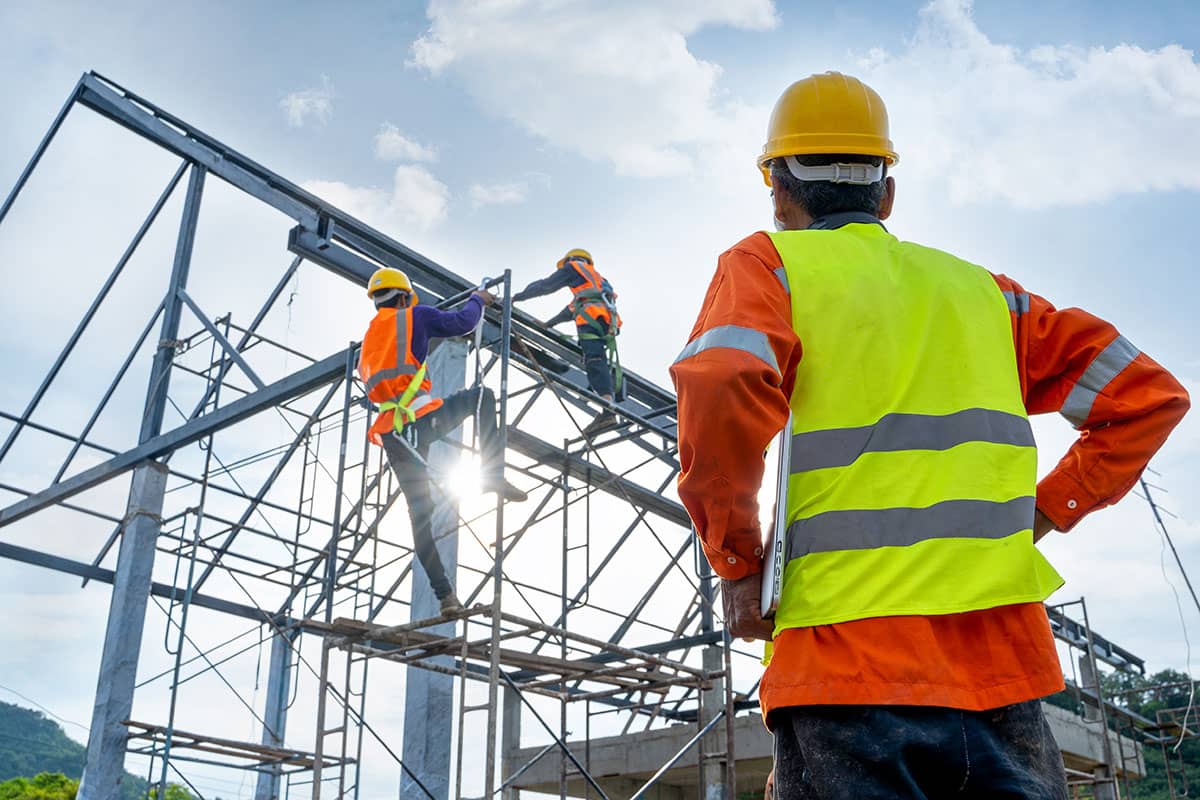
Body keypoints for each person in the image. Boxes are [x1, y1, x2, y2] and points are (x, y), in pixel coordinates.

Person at [670, 71, 1190, 799]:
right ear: (887, 193)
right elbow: (1149, 395)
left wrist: (734, 561)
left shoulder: (767, 266)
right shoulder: (986, 294)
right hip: (1002, 675)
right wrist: (1044, 511)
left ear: (779, 191)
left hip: (841, 665)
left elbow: (722, 381)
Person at [359, 267, 528, 616]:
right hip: (420, 417)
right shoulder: (415, 316)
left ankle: (446, 598)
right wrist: (477, 300)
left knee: (419, 516)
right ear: (404, 297)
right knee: (483, 397)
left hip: (393, 432)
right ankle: (492, 474)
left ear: (377, 301)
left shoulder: (371, 337)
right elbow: (462, 324)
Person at [513, 248, 623, 435]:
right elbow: (571, 309)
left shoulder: (573, 267)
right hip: (605, 321)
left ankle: (608, 409)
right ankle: (607, 408)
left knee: (594, 360)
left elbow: (545, 286)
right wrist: (548, 324)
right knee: (596, 358)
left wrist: (516, 297)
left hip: (591, 319)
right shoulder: (597, 281)